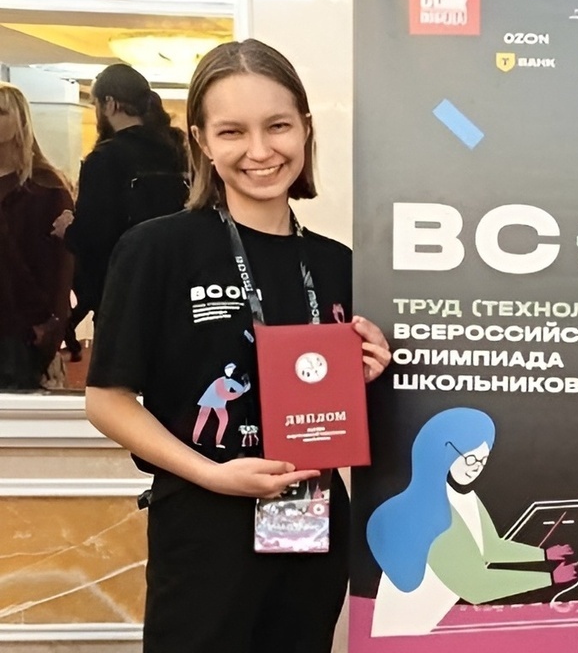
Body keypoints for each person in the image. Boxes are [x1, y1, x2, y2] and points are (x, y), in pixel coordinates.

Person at [84, 39, 391, 653]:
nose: (259, 151)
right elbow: (107, 400)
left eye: (277, 126)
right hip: (205, 525)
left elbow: (330, 404)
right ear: (201, 140)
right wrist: (213, 475)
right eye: (232, 131)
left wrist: (366, 370)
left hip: (311, 522)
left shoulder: (337, 264)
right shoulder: (157, 250)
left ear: (305, 128)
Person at [367, 407, 578, 636]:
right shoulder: (432, 512)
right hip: (404, 633)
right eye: (470, 458)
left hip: (427, 627)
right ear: (443, 452)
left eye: (483, 460)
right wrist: (550, 577)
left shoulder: (464, 497)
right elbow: (476, 586)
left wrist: (544, 555)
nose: (477, 467)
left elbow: (491, 548)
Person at [54, 63, 188, 359]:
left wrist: (69, 230)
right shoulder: (179, 151)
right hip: (178, 286)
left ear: (110, 104)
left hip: (121, 294)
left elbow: (94, 235)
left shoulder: (105, 159)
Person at [0, 82, 74, 392]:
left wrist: (50, 328)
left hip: (21, 332)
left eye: (1, 112)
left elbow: (61, 268)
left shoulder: (46, 187)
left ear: (19, 120)